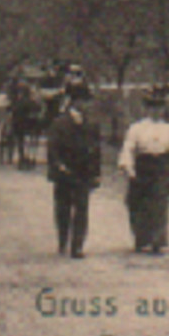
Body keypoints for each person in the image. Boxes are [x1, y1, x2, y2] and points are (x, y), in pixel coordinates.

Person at [45, 82, 102, 258]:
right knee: (63, 208)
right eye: (83, 101)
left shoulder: (91, 125)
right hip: (64, 172)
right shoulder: (59, 123)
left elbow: (96, 150)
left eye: (87, 102)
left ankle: (77, 245)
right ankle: (63, 239)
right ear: (74, 102)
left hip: (83, 172)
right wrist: (58, 165)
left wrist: (96, 172)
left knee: (82, 208)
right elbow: (52, 148)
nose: (86, 105)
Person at [119, 86, 169, 254]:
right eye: (152, 106)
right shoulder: (136, 128)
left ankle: (157, 240)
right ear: (146, 108)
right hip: (143, 167)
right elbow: (129, 149)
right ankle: (141, 237)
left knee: (159, 204)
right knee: (139, 204)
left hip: (160, 167)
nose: (156, 110)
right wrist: (129, 169)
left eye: (160, 107)